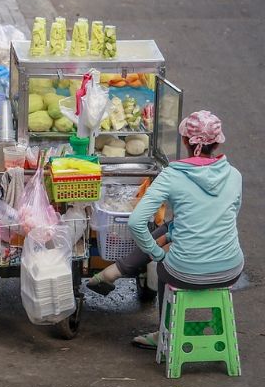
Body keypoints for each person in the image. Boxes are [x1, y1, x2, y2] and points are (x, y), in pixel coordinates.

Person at [86, 110, 243, 349]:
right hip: (231, 269)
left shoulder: (172, 176)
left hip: (185, 273)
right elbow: (223, 217)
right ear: (218, 142)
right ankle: (115, 272)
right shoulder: (234, 175)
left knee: (165, 263)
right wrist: (170, 235)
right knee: (172, 225)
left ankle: (164, 333)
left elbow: (137, 221)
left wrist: (159, 253)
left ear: (184, 141)